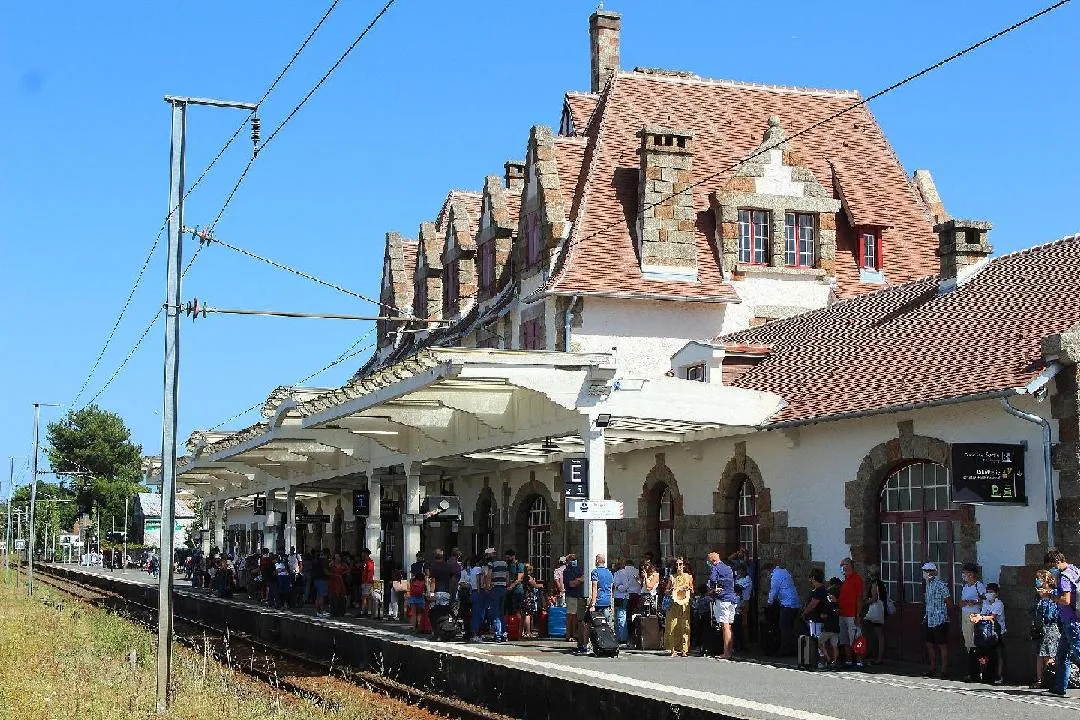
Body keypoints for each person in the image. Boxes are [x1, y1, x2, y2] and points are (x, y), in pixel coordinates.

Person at [1044, 549, 1080, 697]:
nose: (1051, 569)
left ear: (1056, 562)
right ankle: (1060, 687)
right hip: (1072, 618)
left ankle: (1060, 686)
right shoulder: (1075, 570)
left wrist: (1050, 596)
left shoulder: (1064, 576)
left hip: (1071, 620)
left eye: (1051, 565)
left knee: (1078, 652)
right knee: (1062, 655)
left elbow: (1066, 600)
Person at [968, 581, 1005, 684]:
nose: (989, 593)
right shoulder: (986, 603)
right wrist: (976, 616)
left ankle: (999, 675)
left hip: (997, 632)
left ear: (997, 593)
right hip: (985, 632)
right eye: (987, 592)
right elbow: (982, 613)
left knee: (997, 654)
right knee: (984, 653)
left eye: (991, 592)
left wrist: (981, 617)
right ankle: (984, 674)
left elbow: (993, 617)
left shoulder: (999, 604)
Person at [922, 561, 953, 678]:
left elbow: (949, 601)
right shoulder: (927, 584)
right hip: (929, 619)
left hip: (940, 619)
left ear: (933, 572)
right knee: (929, 644)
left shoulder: (940, 584)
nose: (926, 573)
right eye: (925, 571)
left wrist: (942, 612)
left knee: (942, 645)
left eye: (928, 571)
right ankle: (932, 667)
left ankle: (944, 670)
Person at [579, 553, 614, 655]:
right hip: (607, 601)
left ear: (598, 561)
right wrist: (610, 603)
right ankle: (605, 643)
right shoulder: (609, 572)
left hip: (598, 601)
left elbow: (594, 588)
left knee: (587, 624)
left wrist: (592, 603)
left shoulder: (595, 572)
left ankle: (586, 646)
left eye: (595, 559)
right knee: (605, 624)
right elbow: (611, 588)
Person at [707, 551, 739, 660]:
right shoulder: (728, 568)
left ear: (713, 560)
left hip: (723, 599)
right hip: (732, 599)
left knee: (724, 626)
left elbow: (712, 579)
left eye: (709, 561)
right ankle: (730, 650)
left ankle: (726, 653)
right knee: (729, 626)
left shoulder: (715, 568)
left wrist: (713, 589)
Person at [766, 561, 800, 656]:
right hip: (794, 602)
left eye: (766, 573)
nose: (767, 576)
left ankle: (785, 650)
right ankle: (794, 648)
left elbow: (774, 590)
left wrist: (769, 603)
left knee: (784, 628)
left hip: (787, 604)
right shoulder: (784, 571)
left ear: (769, 569)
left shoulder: (776, 575)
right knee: (790, 627)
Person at [958, 563, 986, 674]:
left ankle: (980, 669)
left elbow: (986, 600)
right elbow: (960, 602)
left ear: (971, 574)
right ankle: (972, 668)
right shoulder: (965, 587)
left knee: (976, 643)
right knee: (968, 643)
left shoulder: (978, 586)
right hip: (965, 615)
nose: (964, 575)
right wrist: (964, 602)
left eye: (965, 573)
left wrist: (974, 601)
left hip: (975, 615)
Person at [664, 556, 693, 657]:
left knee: (685, 626)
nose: (678, 566)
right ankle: (673, 649)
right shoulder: (672, 577)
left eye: (680, 564)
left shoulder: (688, 576)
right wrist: (671, 589)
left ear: (684, 565)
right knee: (673, 625)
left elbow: (692, 590)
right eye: (676, 565)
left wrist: (688, 588)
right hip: (674, 604)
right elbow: (666, 591)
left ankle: (684, 649)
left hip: (685, 603)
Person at [837, 557, 864, 668]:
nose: (841, 567)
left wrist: (858, 614)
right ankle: (849, 660)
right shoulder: (845, 580)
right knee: (845, 639)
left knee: (856, 638)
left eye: (842, 564)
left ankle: (859, 660)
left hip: (852, 614)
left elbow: (859, 598)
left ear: (848, 565)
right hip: (843, 614)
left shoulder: (857, 579)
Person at [864, 564, 888, 666]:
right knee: (879, 635)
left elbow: (874, 598)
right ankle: (877, 656)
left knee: (879, 635)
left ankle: (879, 658)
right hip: (882, 610)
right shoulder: (881, 583)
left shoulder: (874, 583)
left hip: (877, 611)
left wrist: (864, 602)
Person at [486, 548, 509, 642]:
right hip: (503, 588)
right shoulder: (504, 564)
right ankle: (504, 633)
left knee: (495, 612)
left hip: (495, 588)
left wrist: (488, 586)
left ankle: (497, 634)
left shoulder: (491, 564)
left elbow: (489, 576)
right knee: (501, 612)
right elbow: (507, 577)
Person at [612, 557, 636, 644]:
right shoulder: (617, 573)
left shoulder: (622, 573)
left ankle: (623, 637)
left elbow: (626, 585)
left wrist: (618, 587)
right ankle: (618, 636)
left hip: (622, 597)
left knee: (621, 617)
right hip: (617, 596)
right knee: (617, 617)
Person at [564, 553, 585, 644]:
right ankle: (569, 635)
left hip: (579, 595)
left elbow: (584, 578)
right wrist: (580, 580)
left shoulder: (580, 569)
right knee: (570, 616)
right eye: (571, 559)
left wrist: (579, 580)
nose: (573, 561)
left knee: (577, 616)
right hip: (571, 595)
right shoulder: (567, 571)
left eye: (574, 559)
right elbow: (571, 584)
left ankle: (575, 634)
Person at [733, 562, 752, 652]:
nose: (738, 573)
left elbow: (737, 587)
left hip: (745, 602)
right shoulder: (739, 578)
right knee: (738, 625)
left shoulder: (747, 580)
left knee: (744, 624)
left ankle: (745, 644)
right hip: (739, 601)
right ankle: (738, 643)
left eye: (740, 571)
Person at [505, 550, 526, 631]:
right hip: (509, 591)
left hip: (518, 591)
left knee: (517, 611)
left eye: (508, 557)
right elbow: (506, 576)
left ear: (513, 556)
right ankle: (510, 629)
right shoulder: (508, 565)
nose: (507, 559)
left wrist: (511, 586)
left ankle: (519, 631)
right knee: (509, 610)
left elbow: (520, 579)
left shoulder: (519, 565)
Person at [468, 554, 486, 642]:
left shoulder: (471, 570)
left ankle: (474, 633)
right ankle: (477, 633)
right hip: (479, 591)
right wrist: (480, 591)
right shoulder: (478, 569)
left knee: (475, 613)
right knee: (479, 614)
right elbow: (478, 580)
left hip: (473, 592)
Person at [311, 549, 330, 617]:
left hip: (316, 580)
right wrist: (332, 574)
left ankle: (317, 612)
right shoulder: (324, 561)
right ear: (327, 554)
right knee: (322, 596)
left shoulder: (317, 560)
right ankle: (322, 611)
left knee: (318, 596)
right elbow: (325, 571)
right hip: (322, 579)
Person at [359, 548, 377, 618]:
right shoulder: (366, 562)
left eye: (363, 553)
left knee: (364, 597)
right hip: (367, 581)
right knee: (368, 597)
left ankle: (363, 611)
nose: (362, 555)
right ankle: (368, 612)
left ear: (366, 554)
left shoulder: (369, 563)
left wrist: (365, 582)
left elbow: (369, 573)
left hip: (367, 582)